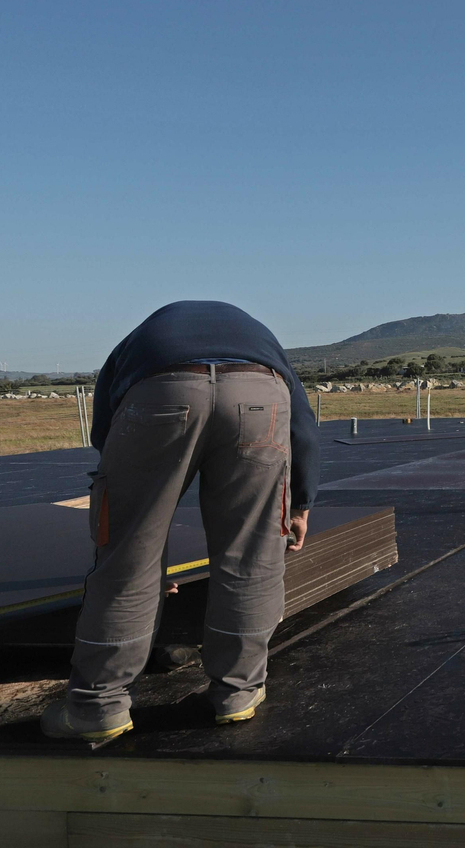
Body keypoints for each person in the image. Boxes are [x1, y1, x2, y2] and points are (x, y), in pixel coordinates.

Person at [40, 301, 319, 741]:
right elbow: (303, 422)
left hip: (162, 392)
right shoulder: (263, 341)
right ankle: (239, 693)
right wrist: (300, 503)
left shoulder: (140, 339)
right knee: (253, 556)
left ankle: (99, 706)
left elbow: (107, 432)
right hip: (260, 397)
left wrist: (139, 546)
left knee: (128, 560)